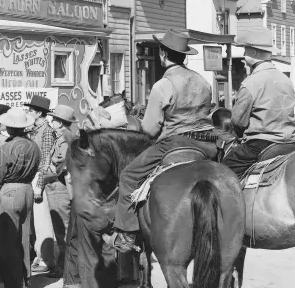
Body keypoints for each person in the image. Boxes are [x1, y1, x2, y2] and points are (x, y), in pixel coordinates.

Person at [109, 30, 218, 254]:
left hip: (175, 143)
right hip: (208, 145)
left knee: (128, 176)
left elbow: (150, 129)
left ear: (162, 54)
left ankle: (127, 235)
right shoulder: (203, 81)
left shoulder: (163, 85)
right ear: (184, 56)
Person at [221, 44, 295, 177]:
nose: (243, 53)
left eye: (246, 50)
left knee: (223, 173)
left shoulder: (250, 83)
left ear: (254, 53)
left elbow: (238, 122)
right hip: (290, 142)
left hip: (261, 144)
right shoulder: (286, 80)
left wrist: (239, 135)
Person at [0, 108, 40, 288]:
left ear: (11, 128)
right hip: (27, 189)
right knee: (25, 238)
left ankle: (14, 286)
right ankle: (26, 283)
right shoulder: (33, 145)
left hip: (10, 190)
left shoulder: (7, 147)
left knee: (8, 240)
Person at [41, 104, 77, 277]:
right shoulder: (69, 136)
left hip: (58, 186)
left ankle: (65, 267)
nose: (52, 121)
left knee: (62, 229)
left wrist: (45, 176)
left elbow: (61, 165)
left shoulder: (63, 139)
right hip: (62, 185)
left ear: (61, 122)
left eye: (54, 119)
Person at [25, 95, 56, 275]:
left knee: (43, 221)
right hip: (34, 176)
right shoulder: (36, 129)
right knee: (36, 222)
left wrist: (39, 184)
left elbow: (45, 160)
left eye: (30, 110)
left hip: (39, 177)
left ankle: (46, 259)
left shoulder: (46, 131)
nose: (29, 113)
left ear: (38, 112)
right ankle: (40, 256)